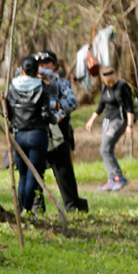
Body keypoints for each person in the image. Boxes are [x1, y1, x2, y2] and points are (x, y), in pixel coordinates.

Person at [36, 50, 87, 212]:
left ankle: (73, 207)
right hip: (38, 135)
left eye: (47, 63)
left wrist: (55, 105)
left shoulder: (62, 83)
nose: (43, 66)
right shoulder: (30, 83)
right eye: (40, 64)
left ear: (55, 65)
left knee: (65, 175)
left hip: (59, 136)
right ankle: (36, 208)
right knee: (35, 174)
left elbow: (72, 103)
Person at [6, 54, 54, 215]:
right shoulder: (41, 87)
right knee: (34, 174)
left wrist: (14, 123)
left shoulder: (12, 87)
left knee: (23, 175)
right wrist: (55, 118)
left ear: (21, 70)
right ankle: (26, 208)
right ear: (36, 71)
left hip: (19, 136)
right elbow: (46, 114)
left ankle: (21, 209)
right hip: (37, 135)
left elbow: (6, 111)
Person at [84, 66, 135, 191]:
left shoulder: (123, 87)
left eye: (112, 82)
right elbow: (101, 106)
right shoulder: (105, 88)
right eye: (108, 83)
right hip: (107, 121)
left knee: (105, 149)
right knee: (107, 150)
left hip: (119, 121)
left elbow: (130, 108)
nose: (111, 84)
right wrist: (91, 120)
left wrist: (130, 125)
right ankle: (111, 179)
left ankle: (118, 177)